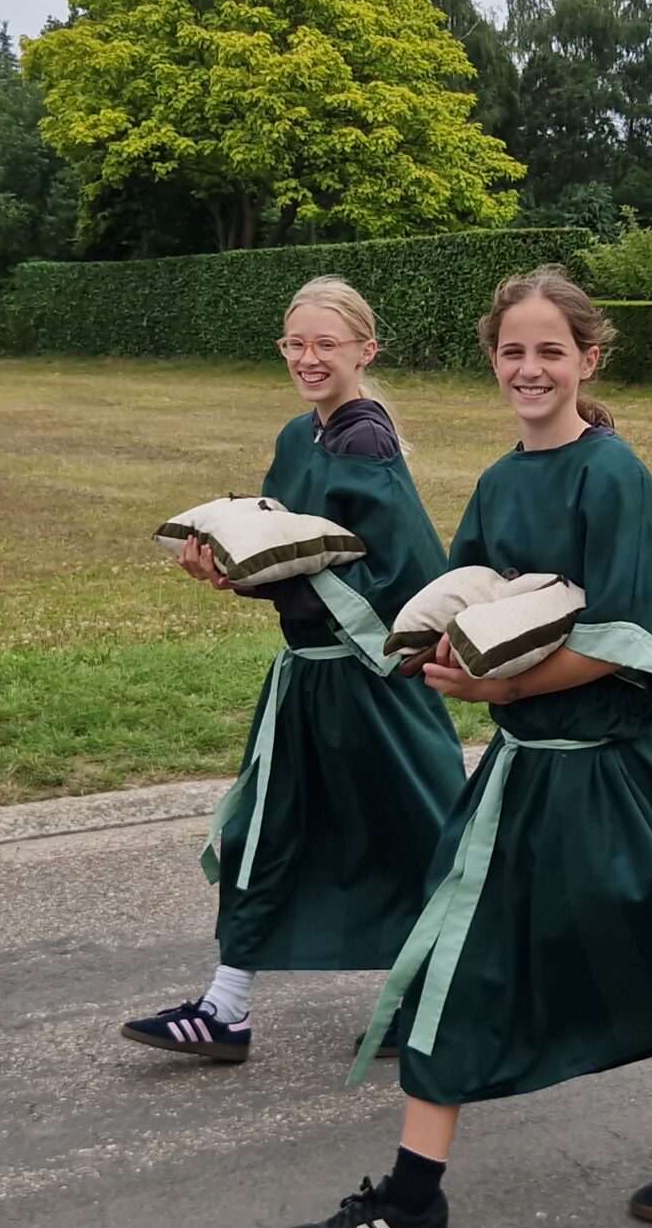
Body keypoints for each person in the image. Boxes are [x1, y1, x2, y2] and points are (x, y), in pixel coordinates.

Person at [285, 268, 652, 1228]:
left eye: (550, 350)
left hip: (607, 772)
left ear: (588, 359)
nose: (529, 368)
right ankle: (414, 1196)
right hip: (524, 772)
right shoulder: (502, 480)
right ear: (492, 361)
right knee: (458, 959)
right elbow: (470, 595)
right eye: (512, 351)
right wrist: (433, 651)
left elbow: (649, 625)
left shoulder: (609, 473)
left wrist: (506, 689)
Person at [121, 277, 466, 1065]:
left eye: (326, 344)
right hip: (307, 678)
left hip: (370, 684)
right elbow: (284, 552)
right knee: (262, 828)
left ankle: (445, 996)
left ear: (364, 351)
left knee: (417, 834)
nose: (308, 358)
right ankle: (225, 1007)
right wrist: (230, 570)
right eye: (295, 343)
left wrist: (269, 582)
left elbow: (404, 570)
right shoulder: (296, 435)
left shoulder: (367, 444)